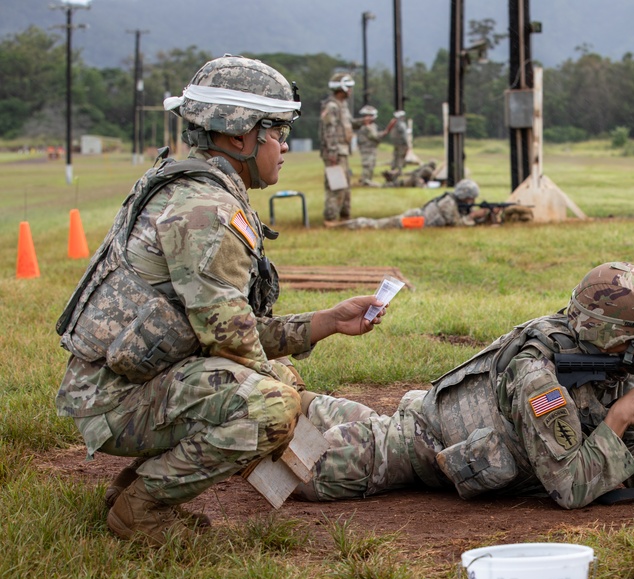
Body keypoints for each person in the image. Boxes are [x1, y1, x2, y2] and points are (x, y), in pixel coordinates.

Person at [53, 56, 386, 546]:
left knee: (278, 383)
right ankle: (141, 509)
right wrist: (285, 402)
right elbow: (233, 341)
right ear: (239, 137)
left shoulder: (197, 187)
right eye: (277, 132)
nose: (285, 146)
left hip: (125, 385)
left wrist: (326, 321)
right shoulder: (207, 210)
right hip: (115, 402)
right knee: (270, 405)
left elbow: (230, 326)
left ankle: (133, 487)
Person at [293, 262, 634, 509]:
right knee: (297, 474)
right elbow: (572, 487)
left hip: (441, 425)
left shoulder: (617, 363)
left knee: (311, 410)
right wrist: (617, 418)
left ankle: (297, 398)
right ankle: (270, 398)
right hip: (416, 446)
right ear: (612, 336)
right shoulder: (539, 374)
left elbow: (625, 468)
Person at [326, 178, 491, 229]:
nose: (472, 202)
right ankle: (340, 226)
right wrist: (474, 216)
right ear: (465, 196)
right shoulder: (449, 203)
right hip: (416, 221)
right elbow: (456, 225)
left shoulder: (453, 200)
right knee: (375, 225)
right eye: (471, 198)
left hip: (418, 217)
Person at [320, 72, 356, 222]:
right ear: (341, 88)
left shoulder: (343, 106)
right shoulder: (332, 106)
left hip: (343, 151)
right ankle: (330, 218)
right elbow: (329, 131)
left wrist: (362, 122)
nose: (350, 90)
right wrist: (332, 152)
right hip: (335, 152)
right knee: (336, 185)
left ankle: (344, 216)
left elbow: (348, 124)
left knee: (345, 186)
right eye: (348, 87)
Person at [355, 105, 381, 186]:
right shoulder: (364, 127)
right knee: (367, 164)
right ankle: (365, 180)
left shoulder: (373, 126)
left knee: (372, 163)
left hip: (372, 148)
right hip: (366, 148)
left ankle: (368, 179)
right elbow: (374, 136)